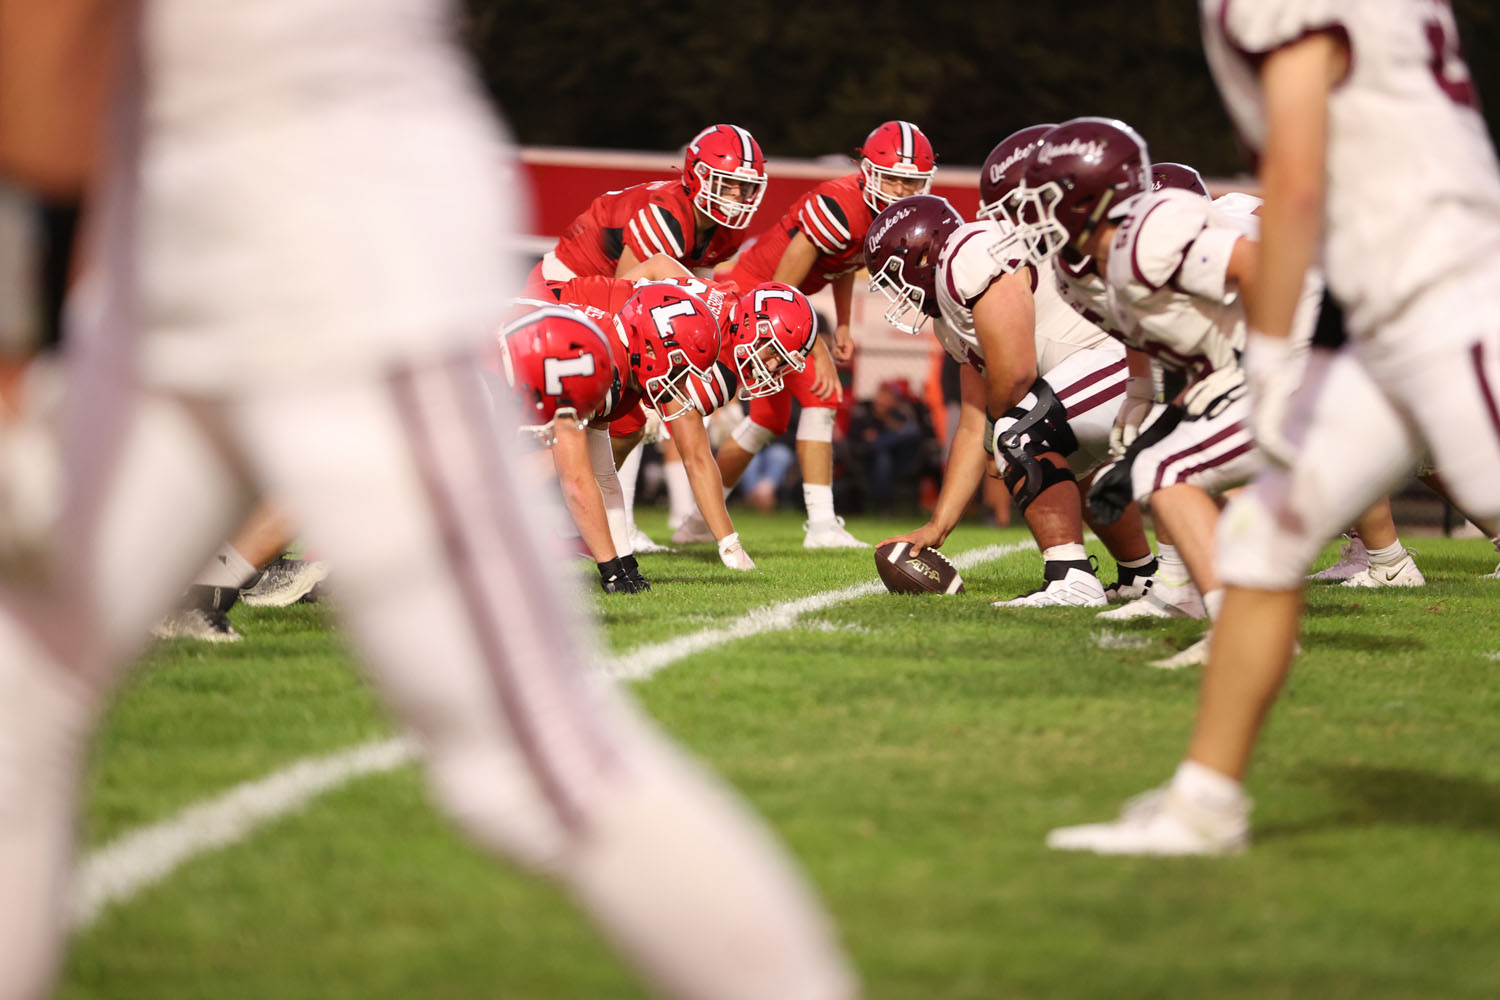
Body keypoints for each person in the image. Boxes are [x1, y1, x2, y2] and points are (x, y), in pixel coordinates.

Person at [0, 4, 860, 998]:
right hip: (215, 222)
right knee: (21, 699)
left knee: (536, 760)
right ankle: (240, 577)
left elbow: (48, 63)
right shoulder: (661, 231)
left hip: (330, 221)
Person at [1046, 0, 1500, 855]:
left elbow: (1295, 177)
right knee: (1262, 544)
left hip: (1444, 289)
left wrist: (1273, 364)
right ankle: (1204, 806)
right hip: (1382, 295)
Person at [866, 192, 1157, 608]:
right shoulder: (949, 325)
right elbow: (970, 425)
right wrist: (937, 527)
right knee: (1062, 454)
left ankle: (1071, 580)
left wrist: (1003, 435)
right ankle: (1140, 575)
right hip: (1103, 370)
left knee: (1022, 431)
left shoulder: (968, 254)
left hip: (1131, 360)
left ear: (922, 254)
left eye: (895, 276)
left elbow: (1017, 372)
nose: (899, 293)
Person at [706, 121, 939, 549]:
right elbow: (780, 293)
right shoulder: (839, 203)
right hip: (754, 299)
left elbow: (843, 264)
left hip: (770, 301)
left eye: (911, 182)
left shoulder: (877, 216)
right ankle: (821, 526)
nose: (903, 192)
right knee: (822, 393)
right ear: (867, 170)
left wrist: (845, 323)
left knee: (767, 420)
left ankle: (703, 518)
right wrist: (819, 348)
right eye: (893, 178)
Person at [524, 123, 768, 295]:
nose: (737, 193)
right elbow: (622, 299)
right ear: (700, 175)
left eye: (745, 186)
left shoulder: (728, 232)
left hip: (605, 288)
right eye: (726, 183)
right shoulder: (667, 216)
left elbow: (702, 295)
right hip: (564, 282)